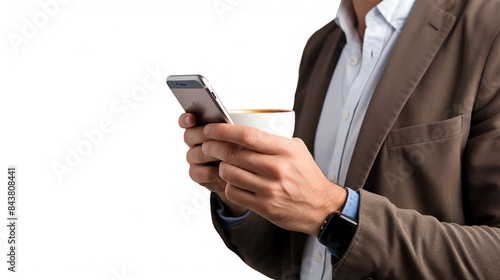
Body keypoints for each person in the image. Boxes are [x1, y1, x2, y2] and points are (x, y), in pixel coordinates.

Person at [178, 0, 500, 278]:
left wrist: (332, 212)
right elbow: (295, 259)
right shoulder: (322, 46)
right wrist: (239, 191)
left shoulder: (488, 30)